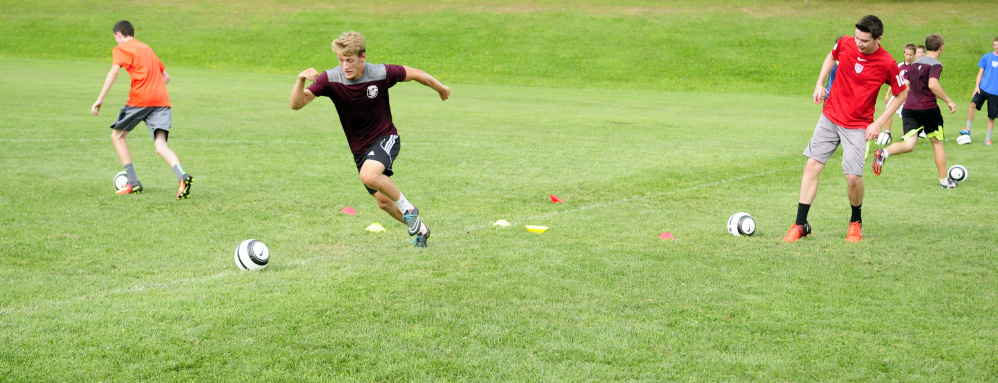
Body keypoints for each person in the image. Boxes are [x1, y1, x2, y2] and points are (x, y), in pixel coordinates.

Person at [290, 31, 450, 247]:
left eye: (350, 60)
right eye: (340, 60)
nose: (345, 65)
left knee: (368, 175)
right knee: (383, 202)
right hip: (359, 149)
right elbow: (297, 104)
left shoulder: (380, 73)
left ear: (362, 57)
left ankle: (409, 209)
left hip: (385, 137)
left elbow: (415, 73)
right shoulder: (331, 79)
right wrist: (300, 80)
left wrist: (441, 88)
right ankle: (422, 229)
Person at [784, 15, 908, 243]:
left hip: (859, 125)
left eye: (864, 40)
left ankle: (855, 222)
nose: (858, 43)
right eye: (857, 37)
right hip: (830, 116)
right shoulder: (845, 43)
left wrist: (879, 122)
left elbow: (902, 93)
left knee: (852, 177)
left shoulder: (887, 63)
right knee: (812, 165)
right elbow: (831, 57)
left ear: (878, 39)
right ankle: (800, 224)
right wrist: (819, 83)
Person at [91, 20, 193, 199]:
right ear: (133, 33)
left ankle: (133, 182)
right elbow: (166, 76)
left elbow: (114, 72)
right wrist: (155, 90)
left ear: (118, 34)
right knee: (160, 145)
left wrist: (100, 99)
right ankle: (182, 176)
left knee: (117, 136)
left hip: (140, 99)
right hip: (161, 100)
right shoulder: (147, 48)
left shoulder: (121, 48)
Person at [871, 34, 958, 188]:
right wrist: (949, 101)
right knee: (937, 144)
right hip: (928, 108)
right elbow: (932, 84)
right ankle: (945, 182)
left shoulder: (914, 64)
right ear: (941, 47)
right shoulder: (935, 64)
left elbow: (906, 84)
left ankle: (883, 153)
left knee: (909, 144)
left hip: (909, 108)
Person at [960, 36, 998, 145]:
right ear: (993, 45)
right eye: (995, 45)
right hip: (983, 88)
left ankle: (987, 139)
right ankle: (967, 128)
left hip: (995, 93)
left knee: (992, 116)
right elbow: (980, 73)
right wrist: (977, 87)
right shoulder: (986, 57)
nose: (997, 47)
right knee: (972, 104)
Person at [883, 44, 917, 139]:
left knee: (904, 115)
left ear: (914, 55)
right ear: (904, 54)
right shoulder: (900, 65)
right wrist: (887, 93)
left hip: (907, 95)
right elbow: (895, 80)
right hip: (897, 93)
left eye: (910, 54)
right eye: (906, 54)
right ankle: (887, 133)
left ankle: (903, 136)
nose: (908, 56)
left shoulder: (915, 67)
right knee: (888, 111)